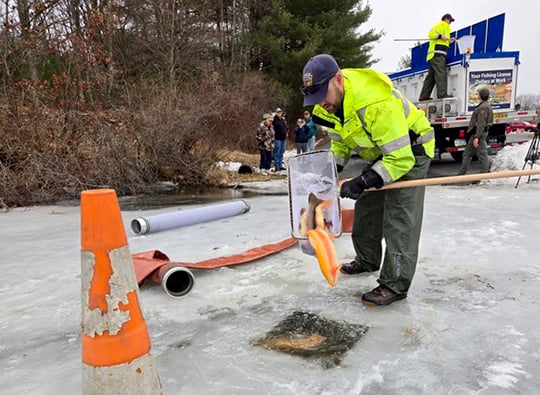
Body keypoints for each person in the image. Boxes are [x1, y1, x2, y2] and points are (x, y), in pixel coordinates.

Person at [300, 54, 435, 307]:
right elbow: (340, 146)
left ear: (338, 79)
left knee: (399, 217)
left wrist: (364, 180)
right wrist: (329, 175)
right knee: (367, 207)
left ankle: (394, 284)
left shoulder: (374, 102)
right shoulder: (327, 107)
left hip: (412, 152)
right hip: (379, 154)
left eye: (321, 94)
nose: (320, 103)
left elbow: (400, 158)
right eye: (314, 97)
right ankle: (367, 259)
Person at [418, 13, 456, 101]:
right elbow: (431, 34)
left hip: (435, 55)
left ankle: (424, 96)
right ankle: (442, 94)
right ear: (446, 19)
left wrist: (449, 41)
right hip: (437, 55)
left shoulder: (445, 28)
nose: (450, 23)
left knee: (431, 78)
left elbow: (442, 42)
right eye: (450, 20)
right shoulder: (441, 25)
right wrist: (440, 36)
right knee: (441, 74)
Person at [457, 88, 493, 176]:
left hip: (478, 133)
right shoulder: (486, 105)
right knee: (467, 153)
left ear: (480, 96)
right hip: (477, 133)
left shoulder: (483, 107)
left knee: (482, 154)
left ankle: (484, 174)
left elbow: (481, 123)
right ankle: (462, 173)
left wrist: (477, 137)